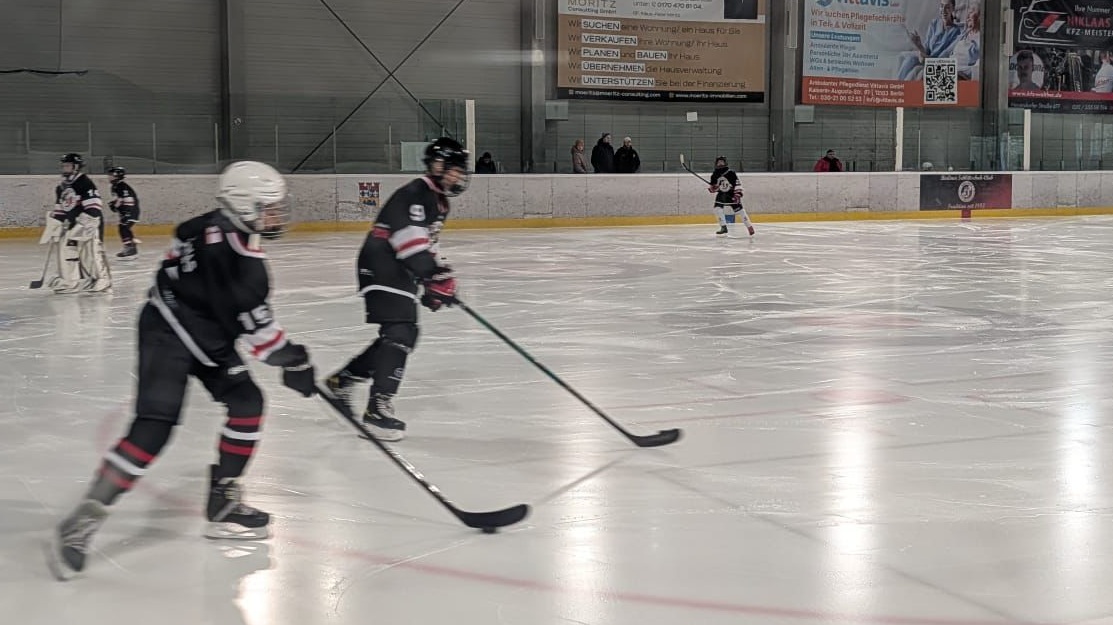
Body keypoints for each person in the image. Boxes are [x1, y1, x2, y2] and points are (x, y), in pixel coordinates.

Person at [45, 161, 319, 581]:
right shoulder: (243, 266)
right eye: (268, 208)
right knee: (154, 427)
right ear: (243, 206)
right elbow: (261, 336)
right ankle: (84, 519)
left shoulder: (209, 226)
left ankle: (223, 501)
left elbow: (183, 251)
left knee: (247, 402)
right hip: (167, 333)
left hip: (203, 331)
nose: (275, 216)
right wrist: (297, 362)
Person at [322, 138, 469, 442]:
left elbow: (427, 244)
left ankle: (343, 380)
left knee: (404, 334)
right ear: (436, 166)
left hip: (396, 265)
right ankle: (377, 409)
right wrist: (431, 276)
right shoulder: (418, 192)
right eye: (452, 169)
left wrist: (436, 278)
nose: (457, 175)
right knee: (400, 332)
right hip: (381, 262)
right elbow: (408, 239)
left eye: (459, 170)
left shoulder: (440, 201)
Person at [46, 153, 111, 293]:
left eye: (67, 165)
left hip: (89, 224)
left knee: (90, 253)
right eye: (63, 165)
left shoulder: (84, 182)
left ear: (76, 167)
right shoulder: (61, 187)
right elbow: (60, 211)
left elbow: (94, 207)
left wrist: (84, 224)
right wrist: (55, 225)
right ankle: (69, 281)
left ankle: (101, 280)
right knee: (66, 251)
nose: (64, 168)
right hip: (71, 225)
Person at [896, 0, 961, 81]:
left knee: (915, 68)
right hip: (926, 57)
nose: (943, 10)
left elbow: (944, 56)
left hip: (936, 62)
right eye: (942, 6)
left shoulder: (956, 32)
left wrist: (923, 54)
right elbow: (926, 49)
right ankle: (898, 84)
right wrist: (919, 45)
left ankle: (903, 86)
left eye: (947, 7)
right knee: (905, 58)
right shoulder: (934, 23)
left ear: (953, 9)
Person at [708, 156, 754, 237]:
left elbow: (737, 183)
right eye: (719, 162)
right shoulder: (714, 174)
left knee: (740, 211)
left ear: (725, 163)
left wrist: (737, 194)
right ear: (716, 163)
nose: (720, 163)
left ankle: (749, 226)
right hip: (722, 195)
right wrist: (713, 188)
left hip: (731, 194)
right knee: (717, 209)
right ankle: (723, 227)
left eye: (722, 162)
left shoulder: (731, 173)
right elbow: (714, 186)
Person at [107, 166, 141, 258]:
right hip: (128, 211)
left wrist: (125, 211)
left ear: (117, 176)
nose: (109, 177)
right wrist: (115, 205)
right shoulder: (116, 186)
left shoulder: (121, 186)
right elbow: (120, 199)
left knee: (123, 227)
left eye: (111, 175)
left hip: (130, 211)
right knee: (124, 227)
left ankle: (129, 247)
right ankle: (132, 245)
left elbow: (127, 199)